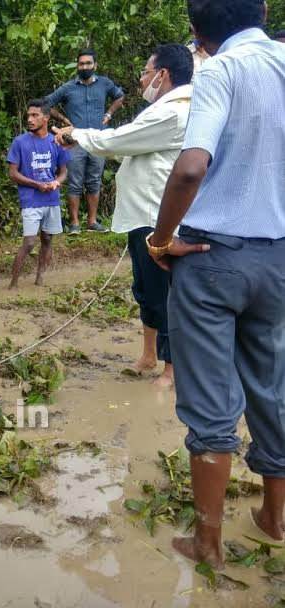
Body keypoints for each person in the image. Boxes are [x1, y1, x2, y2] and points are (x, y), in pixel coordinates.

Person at [146, 0, 285, 567]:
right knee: (272, 388)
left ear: (197, 33)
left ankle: (207, 542)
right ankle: (275, 519)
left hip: (211, 256)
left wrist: (160, 238)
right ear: (264, 10)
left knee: (209, 403)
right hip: (276, 258)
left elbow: (190, 167)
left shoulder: (220, 71)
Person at [53, 44, 194, 389]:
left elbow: (119, 139)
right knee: (144, 289)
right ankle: (148, 355)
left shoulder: (174, 111)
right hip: (141, 214)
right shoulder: (162, 109)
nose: (142, 78)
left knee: (163, 294)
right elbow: (128, 148)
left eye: (146, 72)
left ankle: (172, 369)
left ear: (163, 74)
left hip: (157, 216)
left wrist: (77, 134)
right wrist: (89, 142)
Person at [46, 50, 125, 235]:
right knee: (74, 181)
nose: (85, 67)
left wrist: (109, 114)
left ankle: (92, 222)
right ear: (77, 66)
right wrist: (64, 121)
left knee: (94, 180)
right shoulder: (68, 88)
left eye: (88, 63)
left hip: (98, 140)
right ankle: (74, 224)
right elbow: (46, 104)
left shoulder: (104, 83)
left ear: (95, 65)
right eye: (81, 64)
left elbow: (120, 96)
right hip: (74, 142)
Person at [6, 99, 69, 290]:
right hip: (30, 200)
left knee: (48, 239)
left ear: (46, 118)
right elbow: (13, 173)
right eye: (28, 115)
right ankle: (13, 284)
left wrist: (56, 182)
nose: (30, 119)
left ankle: (40, 279)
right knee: (29, 242)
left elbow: (64, 171)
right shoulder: (20, 142)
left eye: (35, 115)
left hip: (52, 199)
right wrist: (36, 184)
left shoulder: (56, 141)